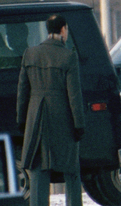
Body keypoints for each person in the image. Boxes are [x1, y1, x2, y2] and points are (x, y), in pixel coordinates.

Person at [16, 15, 85, 206]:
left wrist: (22, 120)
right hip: (62, 116)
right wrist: (79, 124)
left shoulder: (30, 54)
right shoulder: (69, 56)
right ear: (63, 29)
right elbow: (74, 96)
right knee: (71, 168)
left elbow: (22, 92)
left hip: (35, 116)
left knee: (39, 168)